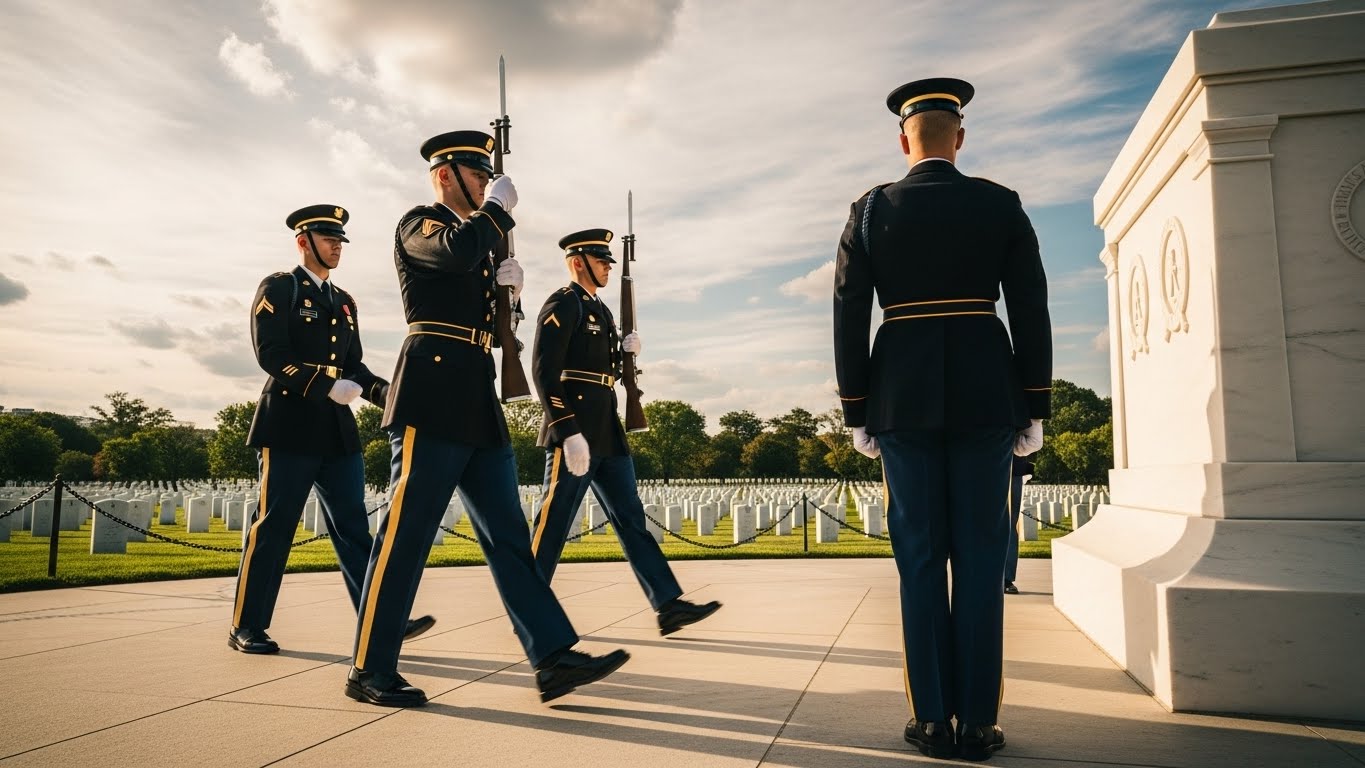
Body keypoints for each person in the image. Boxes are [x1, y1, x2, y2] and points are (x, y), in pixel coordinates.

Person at [345, 132, 629, 707]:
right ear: (446, 175)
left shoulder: (481, 241)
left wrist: (513, 298)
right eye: (477, 173)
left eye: (487, 174)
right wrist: (497, 211)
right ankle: (369, 669)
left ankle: (551, 656)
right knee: (406, 537)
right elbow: (450, 253)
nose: (485, 181)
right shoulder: (419, 224)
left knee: (508, 538)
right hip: (431, 389)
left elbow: (494, 324)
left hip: (476, 394)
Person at [832, 78, 1051, 761]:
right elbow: (1030, 306)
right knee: (983, 559)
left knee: (920, 558)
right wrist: (1034, 402)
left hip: (901, 398)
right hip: (989, 394)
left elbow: (846, 310)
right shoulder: (997, 203)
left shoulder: (870, 210)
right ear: (958, 137)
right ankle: (979, 722)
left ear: (903, 140)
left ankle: (931, 719)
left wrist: (855, 409)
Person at [233, 204, 435, 655]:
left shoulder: (344, 301)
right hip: (288, 422)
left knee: (353, 530)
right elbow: (271, 353)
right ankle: (247, 625)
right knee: (275, 525)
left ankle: (383, 621)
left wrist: (395, 397)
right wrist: (323, 386)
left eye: (341, 241)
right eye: (329, 240)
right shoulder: (280, 288)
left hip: (335, 431)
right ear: (303, 242)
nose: (337, 247)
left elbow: (355, 368)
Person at [529, 228, 722, 635]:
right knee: (553, 523)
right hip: (576, 430)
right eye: (601, 261)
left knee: (631, 518)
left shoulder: (600, 310)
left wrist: (625, 354)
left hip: (606, 428)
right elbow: (544, 371)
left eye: (609, 262)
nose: (607, 268)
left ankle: (668, 604)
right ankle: (525, 607)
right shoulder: (564, 303)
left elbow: (602, 370)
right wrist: (567, 430)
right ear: (578, 261)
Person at [1003, 456, 1034, 595]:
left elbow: (1033, 440)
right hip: (973, 465)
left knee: (1008, 525)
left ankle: (1006, 578)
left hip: (1011, 468)